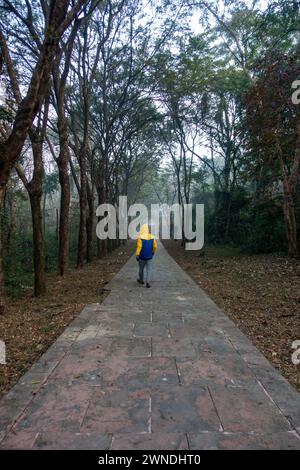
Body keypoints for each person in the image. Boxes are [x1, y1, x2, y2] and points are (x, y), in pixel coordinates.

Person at [136, 224, 157, 288]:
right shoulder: (152, 237)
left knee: (141, 269)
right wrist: (153, 252)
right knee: (149, 269)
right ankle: (148, 282)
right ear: (148, 229)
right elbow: (155, 246)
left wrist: (137, 255)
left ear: (142, 230)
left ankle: (141, 280)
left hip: (142, 257)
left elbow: (139, 247)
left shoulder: (140, 238)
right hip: (149, 256)